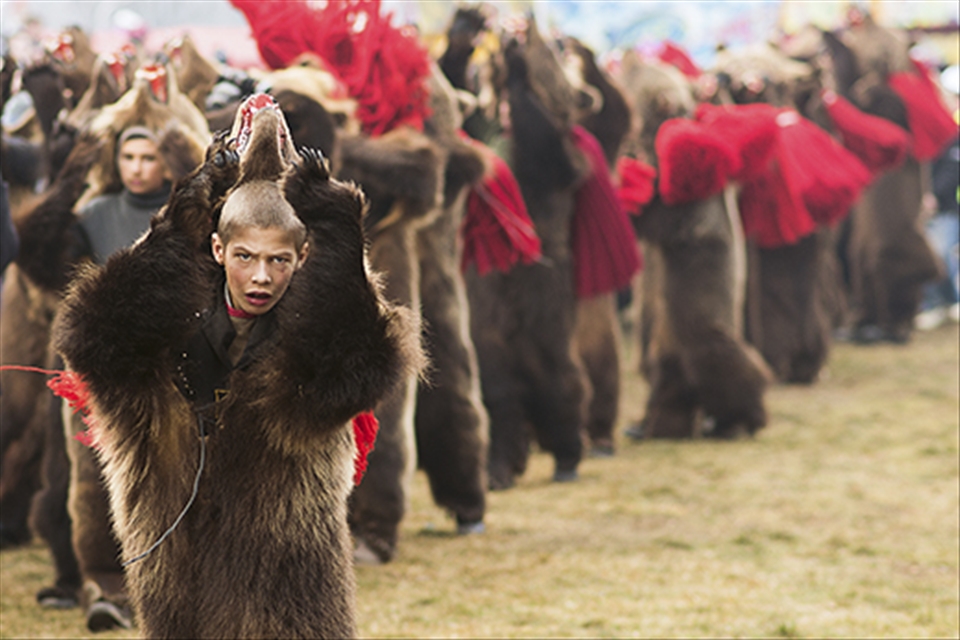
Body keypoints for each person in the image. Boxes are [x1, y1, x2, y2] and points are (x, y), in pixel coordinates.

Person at [52, 99, 419, 637]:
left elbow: (357, 374)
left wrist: (340, 231)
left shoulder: (319, 323)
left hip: (288, 576)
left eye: (278, 261)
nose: (261, 278)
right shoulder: (178, 310)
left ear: (302, 257)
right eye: (246, 257)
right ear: (219, 248)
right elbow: (91, 343)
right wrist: (177, 225)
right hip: (174, 566)